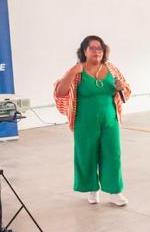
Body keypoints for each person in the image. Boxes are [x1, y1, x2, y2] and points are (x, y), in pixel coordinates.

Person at [54, 35, 131, 206]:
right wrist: (73, 71)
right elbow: (60, 92)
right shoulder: (77, 71)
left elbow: (126, 91)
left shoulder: (111, 69)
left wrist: (122, 87)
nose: (97, 51)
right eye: (92, 48)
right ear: (84, 51)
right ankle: (92, 189)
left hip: (110, 120)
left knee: (112, 154)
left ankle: (114, 192)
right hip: (84, 121)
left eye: (100, 48)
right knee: (87, 154)